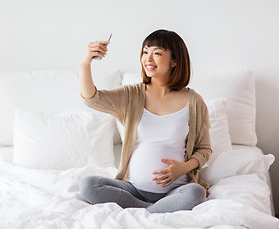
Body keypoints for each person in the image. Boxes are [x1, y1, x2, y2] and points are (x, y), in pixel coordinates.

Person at [79, 29, 212, 213]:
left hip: (175, 190)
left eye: (157, 53)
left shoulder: (194, 101)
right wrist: (86, 62)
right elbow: (91, 99)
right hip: (133, 190)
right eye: (145, 52)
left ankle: (144, 211)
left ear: (175, 61)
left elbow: (204, 149)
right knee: (88, 185)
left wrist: (182, 168)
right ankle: (153, 210)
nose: (148, 59)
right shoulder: (132, 94)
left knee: (196, 193)